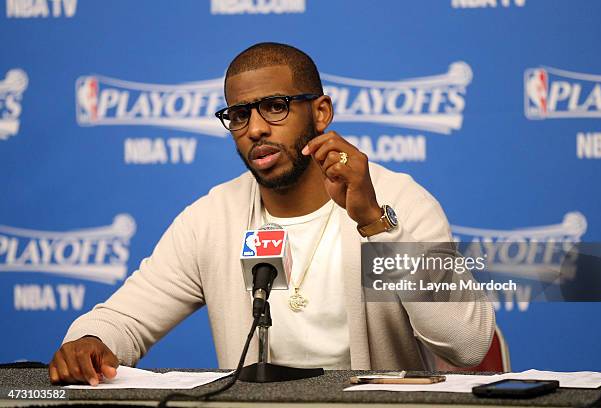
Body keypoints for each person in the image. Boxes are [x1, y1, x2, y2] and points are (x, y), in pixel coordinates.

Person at [49, 42, 495, 386]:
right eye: (239, 114)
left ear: (320, 112)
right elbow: (124, 319)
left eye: (275, 106)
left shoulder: (397, 200)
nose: (256, 128)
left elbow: (467, 344)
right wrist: (91, 340)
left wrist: (375, 223)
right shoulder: (211, 218)